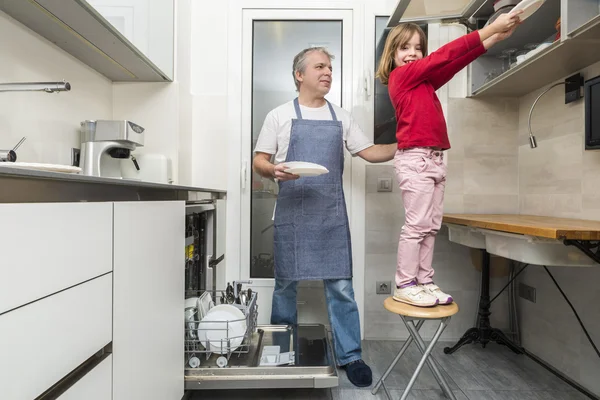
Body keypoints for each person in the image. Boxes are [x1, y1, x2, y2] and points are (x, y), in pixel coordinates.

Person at [253, 46, 396, 387]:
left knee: (341, 287)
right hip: (292, 211)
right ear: (299, 75)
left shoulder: (341, 117)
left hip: (330, 214)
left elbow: (371, 152)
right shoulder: (279, 115)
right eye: (320, 66)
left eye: (330, 67)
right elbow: (259, 160)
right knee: (286, 285)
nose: (328, 72)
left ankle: (351, 356)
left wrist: (408, 141)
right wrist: (274, 171)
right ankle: (281, 348)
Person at [376, 13, 523, 307]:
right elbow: (443, 55)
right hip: (416, 159)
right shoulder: (401, 77)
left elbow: (451, 64)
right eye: (405, 48)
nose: (413, 54)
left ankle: (424, 281)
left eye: (418, 48)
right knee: (416, 226)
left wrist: (491, 40)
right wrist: (488, 29)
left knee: (430, 226)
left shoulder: (424, 83)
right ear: (392, 55)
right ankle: (405, 283)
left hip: (435, 160)